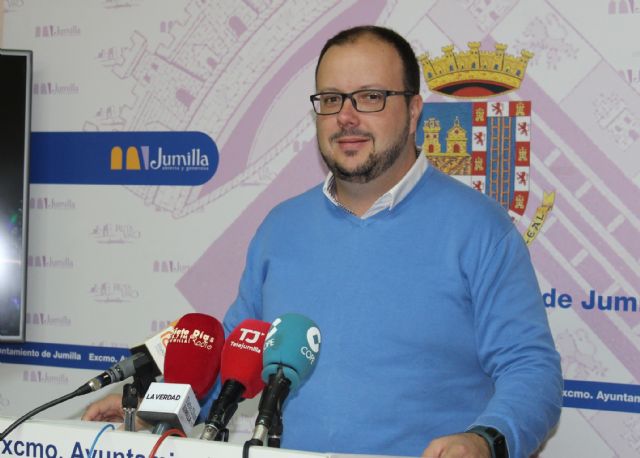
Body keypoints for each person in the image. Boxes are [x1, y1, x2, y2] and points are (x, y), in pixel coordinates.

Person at [84, 25, 562, 458]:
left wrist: (485, 440)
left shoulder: (480, 228)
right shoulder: (280, 227)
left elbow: (530, 368)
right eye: (331, 99)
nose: (346, 117)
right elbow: (232, 362)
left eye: (370, 97)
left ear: (414, 110)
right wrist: (152, 411)